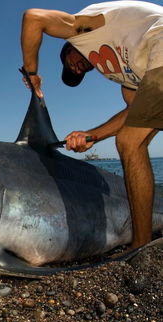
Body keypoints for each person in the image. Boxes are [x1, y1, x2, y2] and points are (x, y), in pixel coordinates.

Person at [21, 1, 163, 250]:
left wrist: (31, 73)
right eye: (77, 73)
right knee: (135, 135)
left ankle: (141, 247)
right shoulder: (123, 74)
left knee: (130, 142)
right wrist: (91, 136)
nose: (75, 69)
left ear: (69, 48)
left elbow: (34, 18)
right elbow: (134, 113)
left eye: (70, 63)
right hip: (154, 65)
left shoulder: (83, 29)